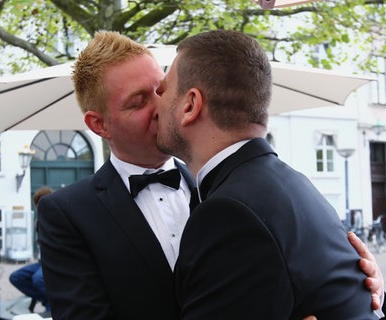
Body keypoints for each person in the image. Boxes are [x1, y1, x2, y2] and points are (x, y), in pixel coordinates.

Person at [37, 30, 385, 320]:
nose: (159, 106)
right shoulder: (68, 215)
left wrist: (357, 282)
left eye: (161, 89)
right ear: (99, 125)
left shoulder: (231, 193)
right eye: (138, 101)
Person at [154, 29, 379, 318]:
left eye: (164, 87)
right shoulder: (292, 183)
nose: (156, 97)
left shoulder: (229, 213)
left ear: (190, 105)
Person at [10, 186, 53, 313]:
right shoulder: (39, 221)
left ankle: (53, 303)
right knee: (16, 277)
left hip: (54, 262)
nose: (40, 206)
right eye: (37, 203)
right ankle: (47, 299)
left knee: (38, 279)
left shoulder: (59, 218)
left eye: (43, 202)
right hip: (42, 262)